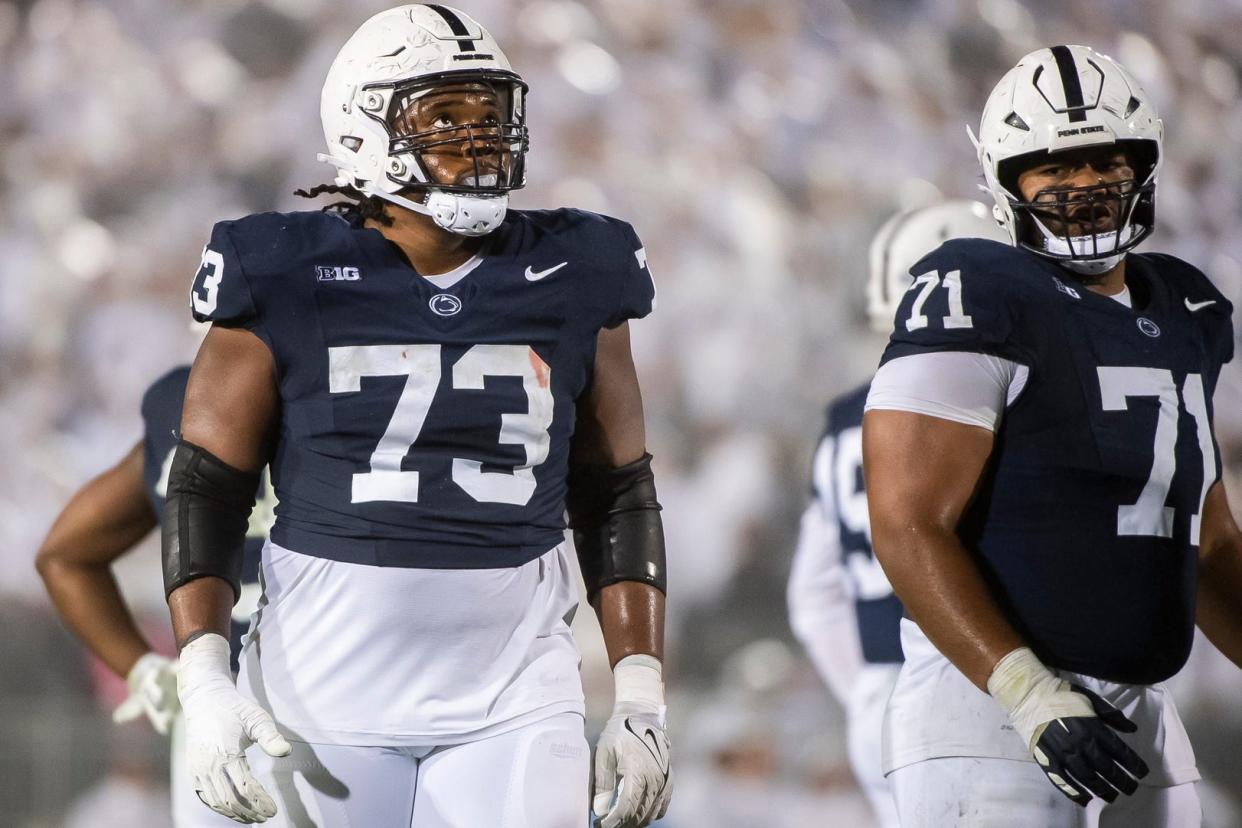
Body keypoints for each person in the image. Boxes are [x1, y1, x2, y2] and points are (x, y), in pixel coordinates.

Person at [163, 6, 672, 827]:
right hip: (316, 699)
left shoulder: (582, 265)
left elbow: (618, 491)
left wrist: (641, 693)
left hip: (516, 697)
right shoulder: (280, 270)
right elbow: (206, 489)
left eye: (490, 115)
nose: (479, 140)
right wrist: (204, 679)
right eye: (443, 115)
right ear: (363, 129)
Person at [862, 44, 1242, 827]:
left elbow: (1211, 546)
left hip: (1144, 719)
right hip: (990, 714)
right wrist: (1028, 693)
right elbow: (906, 521)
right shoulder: (977, 288)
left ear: (1144, 166)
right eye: (1053, 169)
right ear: (1007, 185)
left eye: (1105, 160)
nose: (1084, 188)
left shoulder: (1187, 309)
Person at [787, 199, 1007, 828]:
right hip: (979, 677)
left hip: (886, 697)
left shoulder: (843, 418)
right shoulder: (994, 405)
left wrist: (867, 690)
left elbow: (812, 596)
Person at [36, 364, 272, 827]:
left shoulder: (182, 402)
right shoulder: (324, 388)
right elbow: (64, 556)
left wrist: (142, 669)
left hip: (213, 714)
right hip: (330, 704)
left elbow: (63, 553)